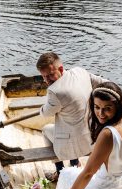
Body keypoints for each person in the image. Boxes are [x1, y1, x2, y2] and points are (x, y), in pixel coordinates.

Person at [36, 52, 106, 181]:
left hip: (77, 143)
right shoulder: (80, 72)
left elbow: (46, 113)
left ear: (61, 69)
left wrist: (41, 108)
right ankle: (75, 164)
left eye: (50, 75)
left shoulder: (54, 91)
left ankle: (60, 171)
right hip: (93, 136)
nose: (47, 81)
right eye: (44, 77)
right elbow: (103, 82)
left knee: (46, 130)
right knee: (69, 127)